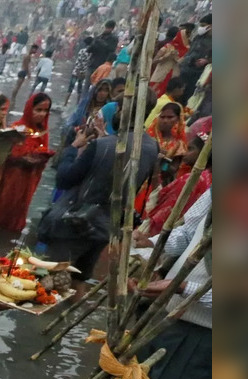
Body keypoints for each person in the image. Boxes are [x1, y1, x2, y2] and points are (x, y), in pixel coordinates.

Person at [123, 187, 211, 379]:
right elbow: (186, 235)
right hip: (165, 315)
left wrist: (184, 287)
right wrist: (149, 247)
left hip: (208, 333)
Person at [38, 105, 158, 295]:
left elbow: (65, 179)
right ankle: (69, 319)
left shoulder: (101, 146)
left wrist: (73, 148)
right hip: (106, 225)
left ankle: (42, 319)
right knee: (79, 279)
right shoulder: (151, 146)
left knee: (48, 279)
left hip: (76, 222)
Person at [0, 92, 54, 232]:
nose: (42, 114)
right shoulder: (17, 129)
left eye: (45, 111)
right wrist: (22, 158)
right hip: (12, 179)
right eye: (38, 110)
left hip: (30, 180)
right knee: (4, 209)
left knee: (20, 210)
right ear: (29, 109)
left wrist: (40, 157)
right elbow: (4, 155)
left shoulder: (43, 132)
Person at [135, 133, 210, 237]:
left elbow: (162, 210)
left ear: (204, 153)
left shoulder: (192, 179)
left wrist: (156, 174)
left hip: (169, 236)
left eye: (190, 149)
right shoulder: (206, 177)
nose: (184, 153)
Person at [147, 101, 189, 184]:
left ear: (178, 119)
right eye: (162, 117)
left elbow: (172, 170)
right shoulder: (149, 137)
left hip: (159, 184)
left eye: (170, 117)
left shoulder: (179, 145)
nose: (165, 121)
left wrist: (165, 161)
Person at [149, 26, 188, 97]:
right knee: (152, 98)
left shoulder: (187, 51)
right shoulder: (168, 46)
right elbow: (154, 61)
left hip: (172, 82)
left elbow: (183, 63)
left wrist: (177, 58)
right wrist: (166, 57)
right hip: (159, 78)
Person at [67, 35, 94, 104]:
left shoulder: (82, 51)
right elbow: (89, 63)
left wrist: (77, 70)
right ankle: (77, 104)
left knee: (70, 88)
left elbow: (78, 61)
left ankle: (65, 103)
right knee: (80, 89)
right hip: (84, 73)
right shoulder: (92, 53)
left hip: (76, 71)